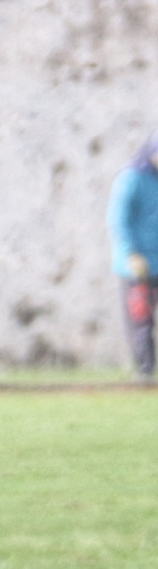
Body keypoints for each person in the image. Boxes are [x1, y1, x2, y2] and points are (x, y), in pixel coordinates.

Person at [106, 132, 158, 383]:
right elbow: (119, 221)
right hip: (137, 265)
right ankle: (145, 370)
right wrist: (131, 254)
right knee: (141, 319)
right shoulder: (131, 178)